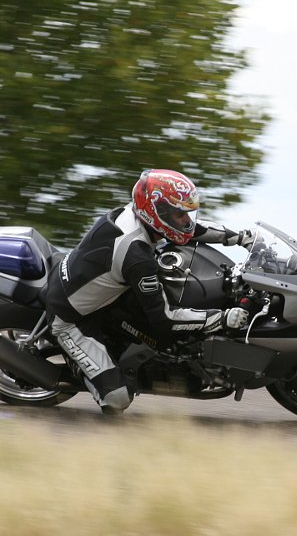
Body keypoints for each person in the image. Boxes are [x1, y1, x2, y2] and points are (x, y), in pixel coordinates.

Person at [46, 169, 253, 414]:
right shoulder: (137, 255)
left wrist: (239, 237)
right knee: (117, 399)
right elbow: (165, 318)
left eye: (187, 212)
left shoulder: (137, 215)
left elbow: (191, 230)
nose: (186, 220)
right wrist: (221, 318)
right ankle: (81, 369)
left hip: (98, 292)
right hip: (71, 318)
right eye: (179, 214)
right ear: (158, 212)